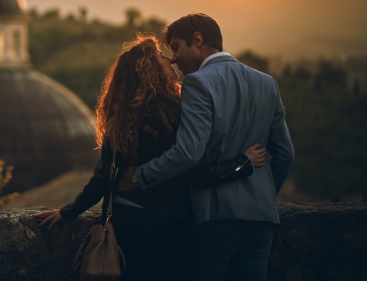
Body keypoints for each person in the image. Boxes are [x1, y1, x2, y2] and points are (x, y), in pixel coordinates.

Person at [32, 33, 267, 281]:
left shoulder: (121, 116)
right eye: (162, 57)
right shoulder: (178, 113)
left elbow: (103, 176)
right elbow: (194, 172)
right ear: (150, 69)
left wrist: (68, 212)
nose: (171, 61)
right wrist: (243, 164)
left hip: (126, 221)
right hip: (167, 224)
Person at [118, 13, 294, 281]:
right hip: (262, 218)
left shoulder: (198, 82)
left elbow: (188, 153)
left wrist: (140, 175)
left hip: (215, 217)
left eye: (176, 47)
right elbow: (285, 155)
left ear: (197, 40)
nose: (174, 58)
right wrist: (263, 195)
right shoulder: (267, 83)